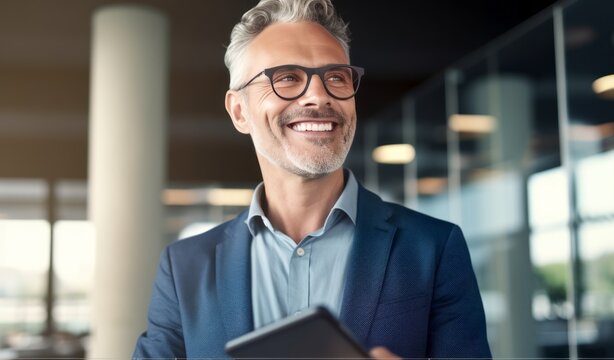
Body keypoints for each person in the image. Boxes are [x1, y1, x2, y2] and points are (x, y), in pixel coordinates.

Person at [133, 0, 492, 358]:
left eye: (336, 77)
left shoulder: (434, 248)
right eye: (287, 78)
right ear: (239, 111)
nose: (319, 95)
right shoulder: (184, 269)